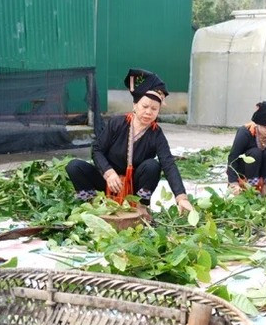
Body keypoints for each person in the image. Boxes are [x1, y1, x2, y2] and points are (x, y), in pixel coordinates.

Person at [66, 69, 193, 216]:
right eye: (145, 106)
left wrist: (181, 197)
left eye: (154, 109)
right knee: (74, 166)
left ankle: (141, 207)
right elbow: (97, 149)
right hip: (108, 182)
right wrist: (108, 172)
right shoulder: (117, 124)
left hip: (134, 187)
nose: (148, 112)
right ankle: (91, 203)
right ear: (135, 105)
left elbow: (169, 164)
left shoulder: (156, 134)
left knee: (152, 166)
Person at [227, 101, 266, 196]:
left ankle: (264, 188)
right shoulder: (245, 132)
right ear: (258, 124)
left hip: (264, 170)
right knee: (255, 153)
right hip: (245, 170)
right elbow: (233, 157)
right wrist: (233, 183)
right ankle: (251, 188)